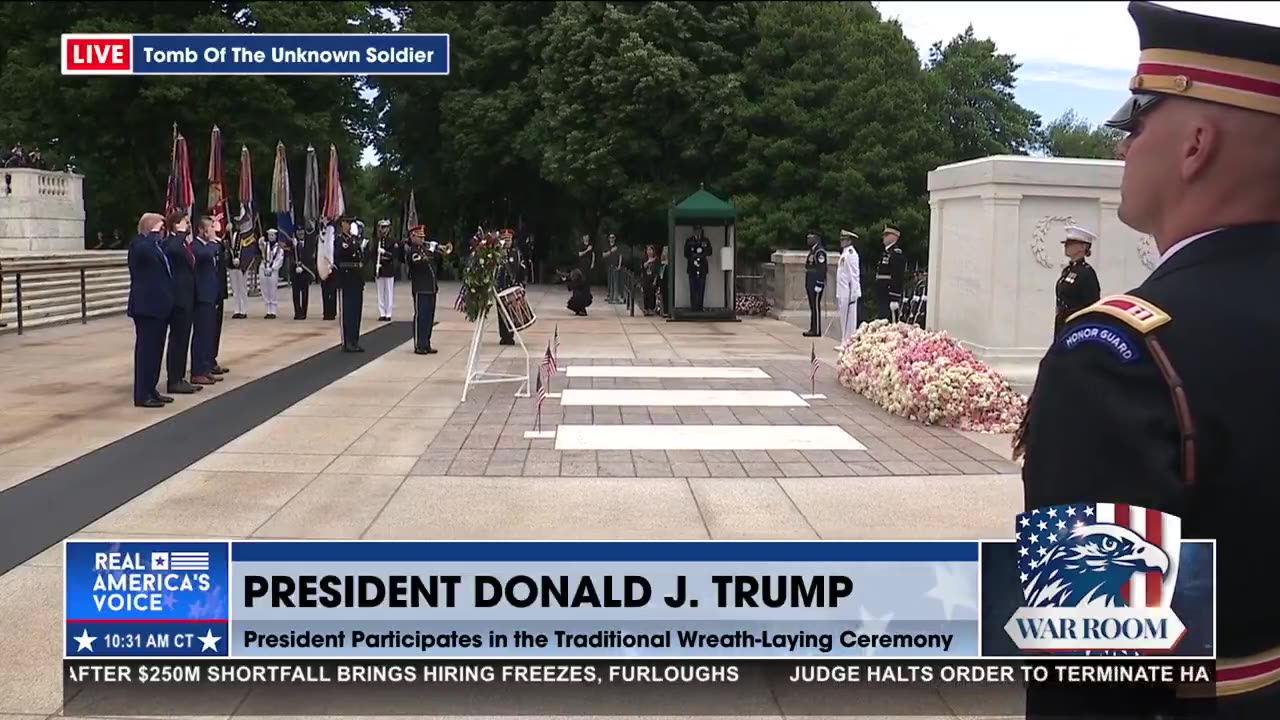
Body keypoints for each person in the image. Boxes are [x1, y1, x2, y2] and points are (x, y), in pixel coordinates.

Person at [1016, 3, 1280, 717]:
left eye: (1137, 124)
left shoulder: (1118, 356)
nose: (1124, 148)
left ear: (1196, 143)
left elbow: (1091, 662)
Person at [127, 213, 175, 409]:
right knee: (146, 352)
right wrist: (152, 233)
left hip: (159, 307)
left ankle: (151, 389)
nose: (163, 232)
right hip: (146, 308)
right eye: (160, 227)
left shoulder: (156, 246)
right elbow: (144, 251)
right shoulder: (139, 245)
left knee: (156, 352)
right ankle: (142, 394)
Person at [161, 212, 202, 395]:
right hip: (178, 299)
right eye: (185, 222)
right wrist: (179, 234)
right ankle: (174, 379)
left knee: (184, 339)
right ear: (176, 225)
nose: (188, 225)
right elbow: (173, 251)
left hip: (187, 296)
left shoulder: (182, 243)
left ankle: (180, 377)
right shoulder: (172, 242)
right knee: (178, 340)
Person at [1052, 225, 1101, 337]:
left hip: (1077, 326)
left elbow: (1091, 305)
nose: (1066, 246)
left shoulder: (1086, 273)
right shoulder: (1068, 270)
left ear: (1082, 247)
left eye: (1071, 244)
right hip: (1063, 322)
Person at [190, 216, 221, 386]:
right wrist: (213, 241)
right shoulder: (196, 246)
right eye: (210, 227)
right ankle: (197, 371)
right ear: (202, 230)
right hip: (201, 296)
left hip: (210, 294)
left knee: (209, 333)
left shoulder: (209, 246)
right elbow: (206, 254)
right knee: (201, 334)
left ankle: (205, 367)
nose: (213, 230)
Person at [335, 217, 371, 352]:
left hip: (357, 278)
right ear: (342, 224)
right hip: (347, 277)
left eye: (351, 223)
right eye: (347, 223)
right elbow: (340, 256)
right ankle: (348, 341)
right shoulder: (340, 241)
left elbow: (364, 256)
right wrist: (352, 241)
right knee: (349, 311)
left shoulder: (356, 239)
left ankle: (355, 339)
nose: (350, 225)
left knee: (357, 311)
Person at [405, 225, 439, 355]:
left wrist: (434, 250)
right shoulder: (412, 251)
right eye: (419, 237)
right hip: (420, 288)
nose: (422, 239)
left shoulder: (423, 249)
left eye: (423, 237)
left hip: (430, 288)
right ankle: (419, 344)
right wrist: (431, 251)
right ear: (412, 236)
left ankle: (426, 342)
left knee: (429, 317)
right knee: (421, 316)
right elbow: (419, 262)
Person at [494, 229, 523, 346]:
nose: (507, 242)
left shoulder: (516, 253)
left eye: (509, 239)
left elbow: (521, 269)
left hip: (511, 286)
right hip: (501, 286)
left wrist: (521, 284)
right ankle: (503, 336)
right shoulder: (497, 253)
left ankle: (510, 335)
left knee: (511, 312)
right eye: (504, 239)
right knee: (501, 313)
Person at [874, 226, 906, 321]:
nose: (883, 237)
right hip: (883, 294)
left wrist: (894, 297)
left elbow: (898, 277)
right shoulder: (886, 253)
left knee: (890, 323)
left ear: (894, 237)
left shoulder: (896, 254)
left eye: (886, 235)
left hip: (889, 294)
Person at [835, 229, 861, 343]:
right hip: (842, 290)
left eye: (844, 240)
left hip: (848, 291)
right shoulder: (845, 253)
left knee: (849, 319)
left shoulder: (851, 254)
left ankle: (848, 341)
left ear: (849, 241)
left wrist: (854, 292)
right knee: (843, 318)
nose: (841, 242)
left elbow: (854, 275)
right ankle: (844, 340)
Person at [373, 219, 399, 321]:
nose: (382, 230)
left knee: (388, 292)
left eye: (384, 228)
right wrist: (376, 265)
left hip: (388, 269)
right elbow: (373, 254)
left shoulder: (393, 241)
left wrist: (385, 253)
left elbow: (394, 256)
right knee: (380, 292)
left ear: (388, 229)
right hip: (380, 269)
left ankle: (388, 313)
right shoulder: (377, 241)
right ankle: (382, 312)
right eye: (381, 227)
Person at [227, 208, 252, 319]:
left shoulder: (246, 235)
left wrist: (240, 260)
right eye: (236, 222)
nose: (238, 225)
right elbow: (227, 245)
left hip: (242, 264)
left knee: (242, 288)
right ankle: (237, 309)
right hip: (232, 264)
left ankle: (243, 309)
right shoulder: (233, 234)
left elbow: (247, 250)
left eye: (240, 222)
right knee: (235, 288)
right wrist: (227, 231)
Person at [802, 231, 827, 338]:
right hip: (810, 281)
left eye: (810, 238)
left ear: (816, 239)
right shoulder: (813, 251)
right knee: (812, 306)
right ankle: (813, 328)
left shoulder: (819, 252)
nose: (808, 240)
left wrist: (820, 283)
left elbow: (822, 269)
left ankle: (816, 330)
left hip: (816, 282)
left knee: (816, 306)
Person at [290, 227, 316, 320]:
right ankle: (297, 312)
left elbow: (310, 258)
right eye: (298, 232)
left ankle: (304, 312)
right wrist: (295, 265)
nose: (300, 233)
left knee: (305, 294)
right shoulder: (293, 245)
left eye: (301, 232)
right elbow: (290, 257)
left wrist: (303, 266)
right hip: (295, 272)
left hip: (305, 272)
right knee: (296, 294)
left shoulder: (308, 245)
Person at [684, 225, 712, 312]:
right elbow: (686, 253)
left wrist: (702, 255)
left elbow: (709, 251)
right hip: (692, 267)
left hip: (702, 267)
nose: (698, 232)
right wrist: (694, 257)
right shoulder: (689, 241)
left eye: (699, 230)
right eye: (696, 230)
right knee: (693, 287)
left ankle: (700, 307)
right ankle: (693, 307)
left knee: (701, 287)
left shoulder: (705, 240)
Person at [317, 219, 338, 321]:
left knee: (332, 291)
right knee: (325, 291)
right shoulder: (322, 236)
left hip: (333, 266)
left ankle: (332, 312)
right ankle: (326, 312)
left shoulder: (333, 236)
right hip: (324, 265)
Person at [602, 233, 622, 303]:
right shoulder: (606, 246)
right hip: (608, 265)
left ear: (615, 238)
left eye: (613, 237)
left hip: (615, 266)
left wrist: (619, 265)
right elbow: (604, 255)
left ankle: (615, 297)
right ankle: (610, 295)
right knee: (610, 282)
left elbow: (620, 256)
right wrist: (611, 251)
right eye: (610, 237)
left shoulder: (617, 247)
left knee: (615, 282)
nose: (611, 239)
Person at [641, 244, 659, 316]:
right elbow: (643, 267)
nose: (649, 252)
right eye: (648, 250)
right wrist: (649, 261)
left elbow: (657, 271)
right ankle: (646, 309)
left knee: (652, 294)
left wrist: (655, 280)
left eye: (651, 250)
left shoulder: (656, 259)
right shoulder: (644, 259)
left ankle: (651, 308)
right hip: (646, 278)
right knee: (646, 294)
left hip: (652, 278)